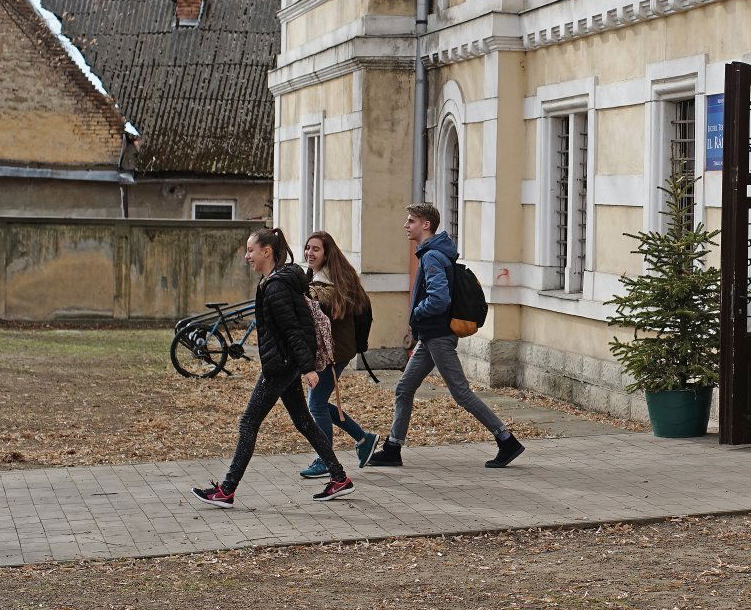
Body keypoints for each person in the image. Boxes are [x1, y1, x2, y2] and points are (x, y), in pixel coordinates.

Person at [192, 228, 354, 508]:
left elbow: (293, 330)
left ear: (267, 251)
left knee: (248, 423)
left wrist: (307, 368)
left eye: (251, 250)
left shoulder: (276, 286)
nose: (247, 256)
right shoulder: (275, 281)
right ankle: (339, 478)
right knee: (303, 421)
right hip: (285, 363)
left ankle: (227, 490)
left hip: (281, 365)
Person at [366, 203, 525, 468]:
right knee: (404, 388)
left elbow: (439, 299)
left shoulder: (432, 257)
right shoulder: (434, 253)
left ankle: (506, 440)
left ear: (425, 225)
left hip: (438, 336)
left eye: (411, 221)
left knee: (461, 393)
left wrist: (417, 312)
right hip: (431, 338)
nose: (406, 226)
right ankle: (393, 448)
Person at [298, 230, 380, 477]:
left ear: (327, 252)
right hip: (334, 350)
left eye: (315, 249)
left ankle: (325, 460)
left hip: (333, 352)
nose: (309, 253)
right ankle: (364, 439)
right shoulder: (322, 276)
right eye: (307, 248)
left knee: (316, 404)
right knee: (319, 402)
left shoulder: (330, 283)